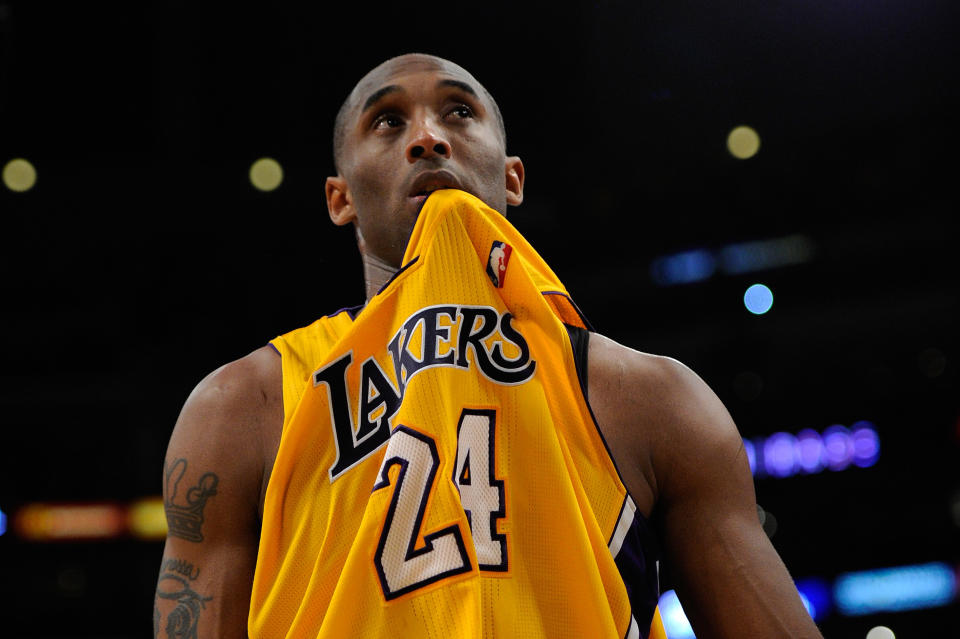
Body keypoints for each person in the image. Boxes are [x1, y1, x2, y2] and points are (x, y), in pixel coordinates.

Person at [155, 53, 824, 639]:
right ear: (339, 198)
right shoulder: (245, 404)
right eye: (388, 121)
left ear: (512, 179)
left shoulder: (652, 398)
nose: (427, 139)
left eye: (458, 112)